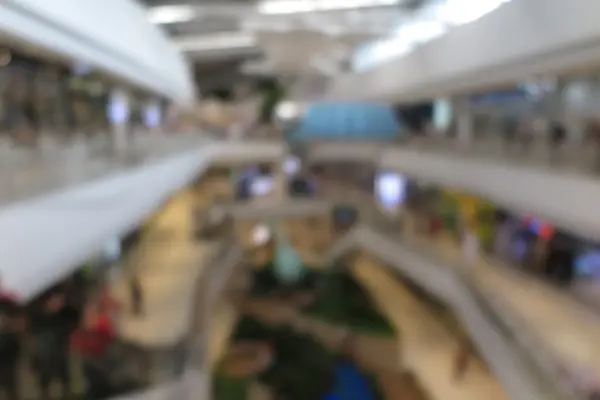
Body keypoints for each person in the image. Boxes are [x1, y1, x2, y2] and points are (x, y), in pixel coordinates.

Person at [29, 291, 77, 400]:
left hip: (58, 340)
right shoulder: (34, 303)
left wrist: (61, 306)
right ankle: (47, 395)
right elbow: (32, 322)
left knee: (63, 373)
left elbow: (72, 316)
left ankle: (67, 393)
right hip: (42, 343)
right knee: (44, 377)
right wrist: (47, 309)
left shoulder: (59, 293)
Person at [70, 302, 116, 399]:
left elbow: (111, 342)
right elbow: (77, 355)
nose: (90, 317)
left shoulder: (103, 327)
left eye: (92, 314)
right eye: (87, 315)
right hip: (91, 373)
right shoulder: (78, 336)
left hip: (106, 368)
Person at [0, 298, 22, 400]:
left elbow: (19, 325)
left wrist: (8, 324)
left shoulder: (9, 304)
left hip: (7, 351)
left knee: (10, 385)